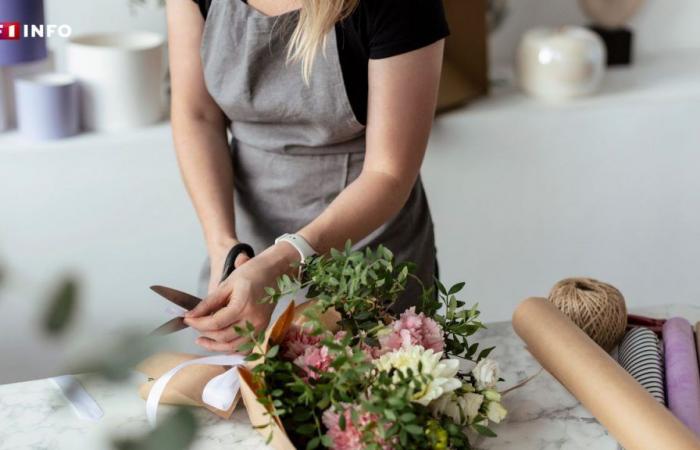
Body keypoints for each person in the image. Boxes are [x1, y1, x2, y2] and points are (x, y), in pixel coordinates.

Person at [166, 0, 449, 352]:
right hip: (247, 238)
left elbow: (388, 173)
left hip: (365, 246)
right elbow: (197, 116)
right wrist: (224, 245)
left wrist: (281, 261)